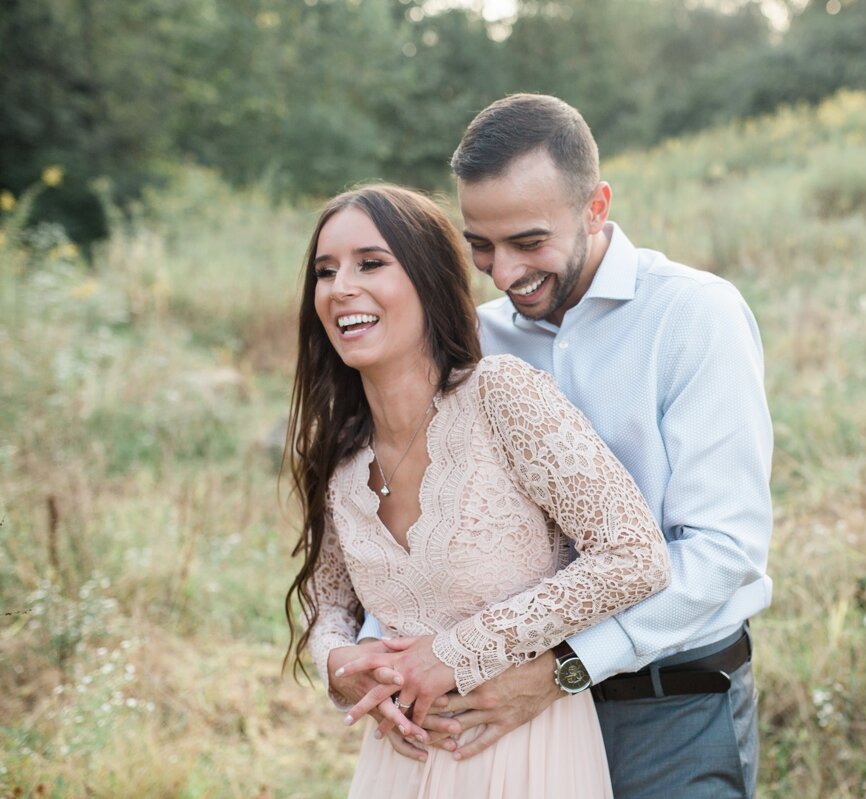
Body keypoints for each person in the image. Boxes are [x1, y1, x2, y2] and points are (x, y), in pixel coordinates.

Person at [337, 94, 774, 798]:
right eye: (480, 244)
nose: (503, 273)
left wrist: (563, 669)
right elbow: (421, 507)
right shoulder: (470, 342)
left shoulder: (694, 316)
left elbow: (722, 550)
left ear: (596, 206)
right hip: (502, 720)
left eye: (529, 242)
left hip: (670, 709)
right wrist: (380, 645)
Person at [284, 183, 672, 798]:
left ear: (430, 280)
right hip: (398, 766)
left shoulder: (502, 397)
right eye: (325, 272)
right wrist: (338, 664)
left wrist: (460, 651)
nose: (341, 287)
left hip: (524, 756)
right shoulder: (340, 450)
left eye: (371, 263)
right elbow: (328, 600)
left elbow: (634, 555)